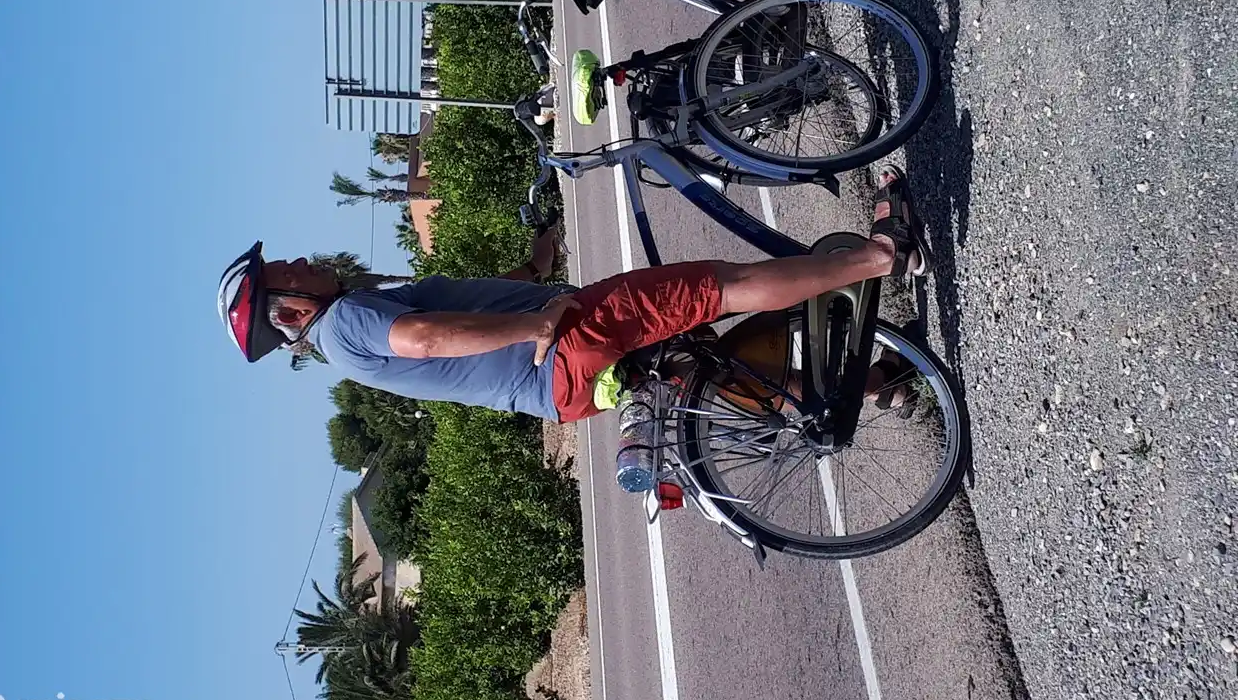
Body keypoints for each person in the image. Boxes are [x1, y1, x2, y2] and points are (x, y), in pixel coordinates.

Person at [217, 168, 930, 423]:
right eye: (288, 268)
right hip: (564, 346)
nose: (301, 260)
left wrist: (533, 274)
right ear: (288, 311)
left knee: (701, 366)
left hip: (559, 392)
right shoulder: (345, 322)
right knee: (719, 289)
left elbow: (450, 327)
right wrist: (540, 318)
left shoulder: (347, 328)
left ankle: (873, 388)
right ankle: (884, 255)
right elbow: (428, 340)